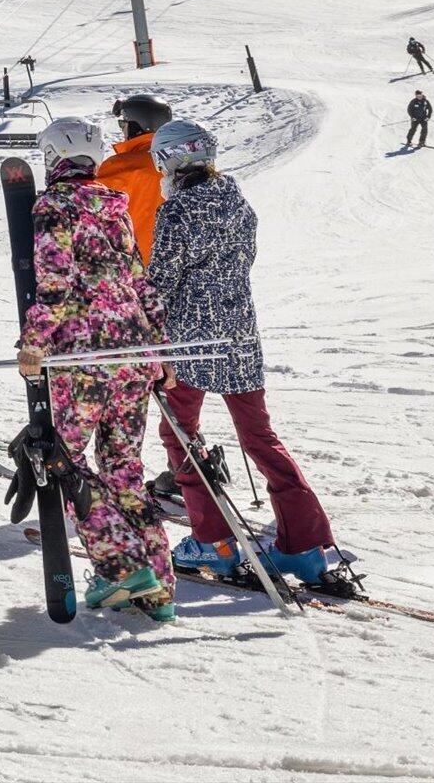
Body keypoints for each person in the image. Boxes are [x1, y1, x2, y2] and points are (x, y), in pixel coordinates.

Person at [144, 119, 350, 589]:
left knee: (180, 434)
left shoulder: (176, 211)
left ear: (169, 160)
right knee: (259, 436)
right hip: (239, 335)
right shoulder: (237, 202)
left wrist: (142, 325)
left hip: (190, 341)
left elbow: (160, 284)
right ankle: (304, 544)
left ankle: (213, 542)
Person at [16, 114, 176, 622]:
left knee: (63, 461)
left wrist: (34, 342)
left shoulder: (53, 205)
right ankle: (158, 587)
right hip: (132, 356)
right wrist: (161, 351)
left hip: (83, 359)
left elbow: (57, 283)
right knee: (125, 471)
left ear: (53, 157)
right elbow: (141, 280)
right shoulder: (116, 206)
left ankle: (122, 567)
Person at [98, 92, 173, 262]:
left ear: (136, 126)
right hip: (173, 269)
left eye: (123, 124)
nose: (122, 130)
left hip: (133, 271)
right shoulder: (179, 162)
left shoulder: (119, 167)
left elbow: (89, 209)